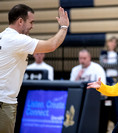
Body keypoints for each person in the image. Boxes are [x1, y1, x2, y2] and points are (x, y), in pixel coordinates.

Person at [0, 4, 69, 133]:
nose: (32, 26)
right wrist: (64, 27)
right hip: (3, 102)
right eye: (31, 22)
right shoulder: (17, 40)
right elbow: (51, 45)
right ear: (20, 21)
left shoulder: (3, 36)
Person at [99, 36, 118, 133]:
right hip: (108, 81)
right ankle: (106, 126)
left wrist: (111, 64)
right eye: (111, 42)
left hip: (117, 81)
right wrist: (116, 64)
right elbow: (102, 64)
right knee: (108, 104)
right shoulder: (103, 53)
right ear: (107, 43)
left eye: (114, 42)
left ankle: (117, 124)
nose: (113, 44)